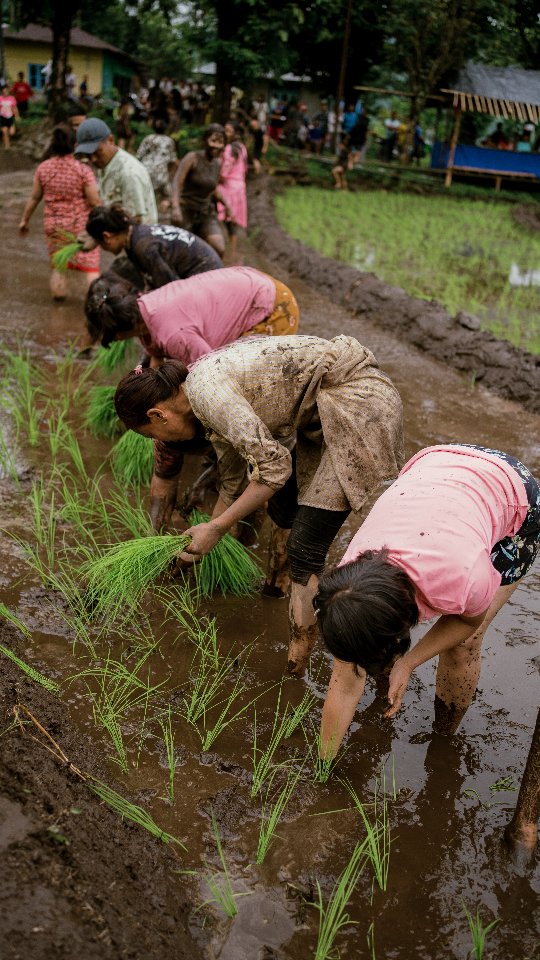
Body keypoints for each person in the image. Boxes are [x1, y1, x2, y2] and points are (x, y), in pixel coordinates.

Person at [113, 336, 403, 669]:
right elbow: (233, 483)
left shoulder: (210, 396)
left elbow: (274, 467)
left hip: (358, 405)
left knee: (304, 549)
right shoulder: (201, 406)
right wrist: (198, 543)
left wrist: (217, 528)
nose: (159, 441)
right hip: (321, 415)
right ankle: (275, 592)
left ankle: (296, 665)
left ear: (158, 415)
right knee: (284, 509)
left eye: (151, 434)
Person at [314, 444, 539, 758]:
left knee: (464, 644)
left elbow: (466, 622)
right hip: (433, 470)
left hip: (511, 487)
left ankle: (443, 739)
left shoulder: (463, 577)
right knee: (359, 639)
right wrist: (324, 764)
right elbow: (344, 680)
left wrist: (408, 663)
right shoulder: (347, 588)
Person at [85, 265, 299, 363]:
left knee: (243, 376)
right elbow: (156, 356)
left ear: (119, 333)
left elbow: (211, 370)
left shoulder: (175, 335)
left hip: (272, 306)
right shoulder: (144, 305)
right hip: (247, 282)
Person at [18, 123, 100, 300]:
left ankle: (59, 298)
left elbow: (34, 198)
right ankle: (97, 303)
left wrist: (24, 220)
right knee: (90, 265)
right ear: (75, 145)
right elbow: (94, 201)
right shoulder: (83, 170)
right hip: (79, 225)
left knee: (59, 264)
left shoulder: (43, 168)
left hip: (54, 225)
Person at [85, 204, 222, 286]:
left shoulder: (144, 248)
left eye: (100, 244)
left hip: (208, 278)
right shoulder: (138, 233)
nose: (104, 249)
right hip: (210, 271)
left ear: (107, 237)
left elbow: (171, 288)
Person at [75, 118, 158, 224]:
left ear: (111, 140)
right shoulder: (105, 165)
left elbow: (136, 221)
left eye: (97, 152)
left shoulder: (129, 173)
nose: (93, 159)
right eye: (88, 155)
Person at [171, 124, 232, 257]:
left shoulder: (217, 163)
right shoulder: (192, 158)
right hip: (186, 209)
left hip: (205, 212)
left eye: (220, 142)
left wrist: (227, 205)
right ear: (205, 140)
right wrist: (175, 207)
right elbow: (177, 182)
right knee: (182, 251)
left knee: (218, 248)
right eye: (213, 141)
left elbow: (213, 188)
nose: (216, 146)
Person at [217, 122, 248, 261]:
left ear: (235, 133)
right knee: (231, 222)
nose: (225, 133)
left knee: (222, 217)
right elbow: (245, 168)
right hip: (240, 186)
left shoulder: (229, 149)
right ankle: (232, 252)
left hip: (228, 187)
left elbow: (224, 172)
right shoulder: (242, 148)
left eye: (228, 131)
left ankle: (224, 252)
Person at [136, 119, 178, 209]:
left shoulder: (148, 138)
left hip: (145, 172)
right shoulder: (169, 141)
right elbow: (173, 161)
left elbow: (139, 156)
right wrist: (171, 176)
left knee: (144, 196)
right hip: (161, 174)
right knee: (166, 197)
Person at [0, 83, 19, 148]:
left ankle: (6, 136)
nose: (6, 92)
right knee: (5, 132)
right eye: (4, 91)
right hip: (3, 118)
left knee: (12, 133)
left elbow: (15, 108)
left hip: (10, 118)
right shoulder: (0, 98)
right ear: (2, 92)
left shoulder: (12, 98)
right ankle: (7, 145)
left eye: (7, 91)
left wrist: (17, 116)